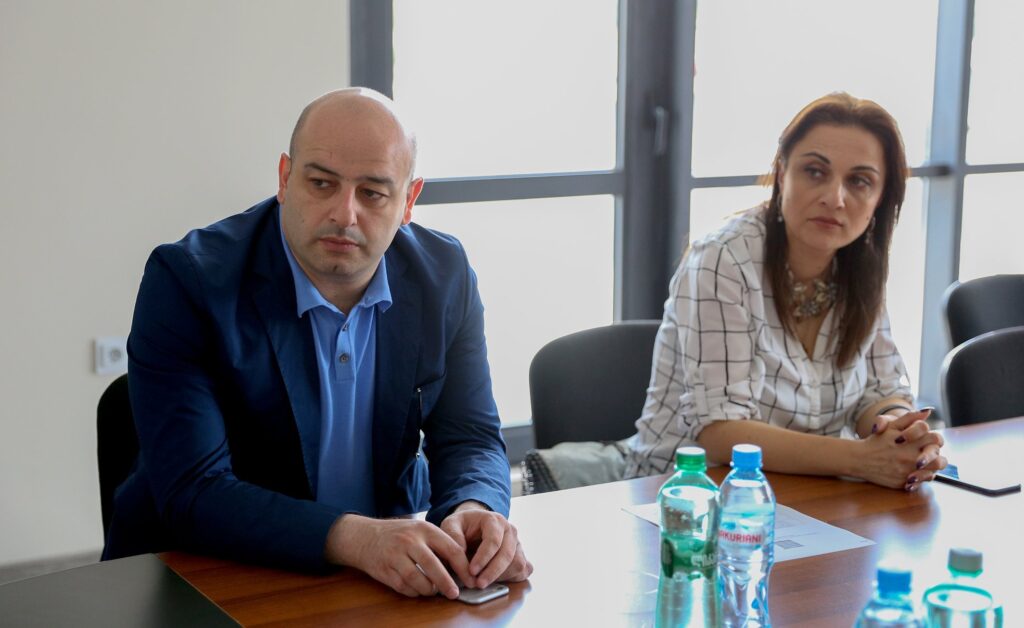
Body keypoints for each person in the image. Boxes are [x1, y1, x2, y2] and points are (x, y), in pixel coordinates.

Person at [102, 88, 532, 599]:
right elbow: (194, 491)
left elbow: (470, 434)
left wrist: (473, 508)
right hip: (201, 574)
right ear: (285, 178)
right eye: (321, 183)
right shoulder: (188, 281)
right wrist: (356, 539)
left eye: (372, 193)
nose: (344, 214)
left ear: (409, 201)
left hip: (383, 576)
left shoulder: (444, 274)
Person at [626, 92, 946, 491]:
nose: (835, 198)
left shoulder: (860, 262)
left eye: (859, 181)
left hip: (808, 491)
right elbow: (720, 431)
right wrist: (862, 459)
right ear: (781, 175)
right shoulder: (724, 258)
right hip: (684, 494)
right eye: (815, 172)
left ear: (880, 199)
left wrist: (900, 434)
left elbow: (879, 392)